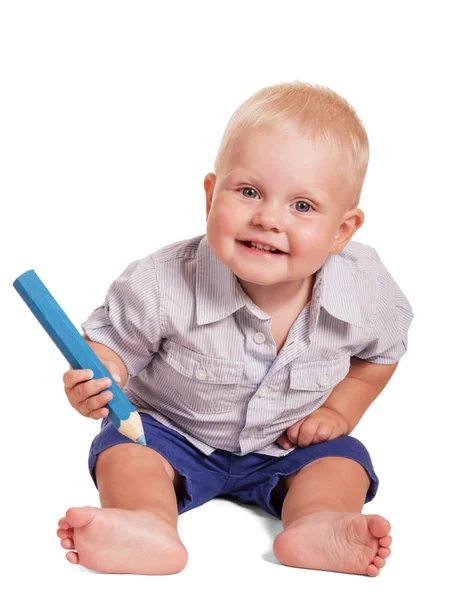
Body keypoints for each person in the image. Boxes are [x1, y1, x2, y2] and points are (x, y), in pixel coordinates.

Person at [56, 81, 413, 577]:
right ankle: (144, 523)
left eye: (302, 206)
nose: (268, 218)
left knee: (343, 461)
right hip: (172, 434)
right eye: (248, 192)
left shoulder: (365, 290)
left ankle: (318, 524)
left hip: (288, 443)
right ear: (210, 195)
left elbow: (384, 352)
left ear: (341, 231)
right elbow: (107, 348)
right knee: (125, 453)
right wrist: (101, 377)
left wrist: (339, 409)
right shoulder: (161, 282)